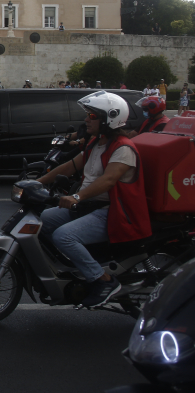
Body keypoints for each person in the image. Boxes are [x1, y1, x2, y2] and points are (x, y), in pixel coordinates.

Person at [37, 91, 151, 307]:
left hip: (113, 210)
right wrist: (38, 182)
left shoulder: (123, 149)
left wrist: (76, 196)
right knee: (45, 219)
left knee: (64, 237)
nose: (86, 120)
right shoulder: (96, 143)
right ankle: (82, 264)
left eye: (91, 116)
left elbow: (108, 181)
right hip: (91, 206)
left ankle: (103, 280)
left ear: (110, 118)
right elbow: (71, 166)